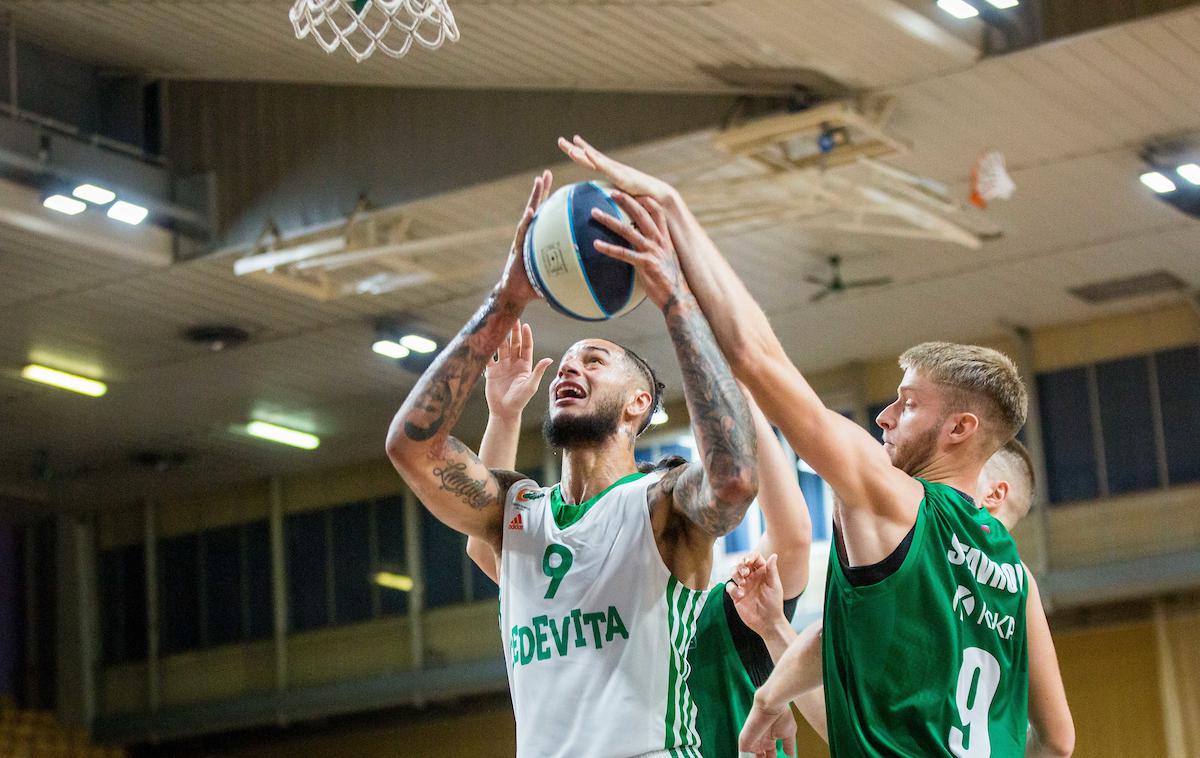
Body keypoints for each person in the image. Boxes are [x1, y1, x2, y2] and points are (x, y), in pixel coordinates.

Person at [560, 135, 1072, 757]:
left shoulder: (894, 500)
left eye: (907, 403)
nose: (885, 416)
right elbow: (1060, 741)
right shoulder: (1014, 579)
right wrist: (772, 689)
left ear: (960, 429)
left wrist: (674, 220)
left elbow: (756, 357)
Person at [385, 170, 759, 758]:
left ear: (639, 403)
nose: (567, 368)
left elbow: (734, 478)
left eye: (596, 358)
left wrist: (674, 301)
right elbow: (412, 448)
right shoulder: (518, 513)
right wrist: (507, 300)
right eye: (566, 363)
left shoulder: (661, 501)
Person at [465, 320, 813, 758]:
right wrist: (503, 415)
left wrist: (739, 393)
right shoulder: (602, 594)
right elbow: (488, 546)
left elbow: (794, 536)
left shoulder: (738, 607)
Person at [732, 439, 1074, 757]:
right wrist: (774, 628)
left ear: (994, 494)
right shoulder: (1018, 585)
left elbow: (834, 656)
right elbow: (1059, 741)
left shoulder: (930, 557)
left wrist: (769, 696)